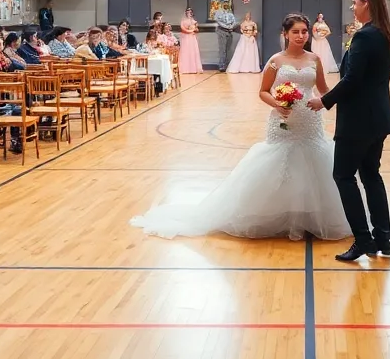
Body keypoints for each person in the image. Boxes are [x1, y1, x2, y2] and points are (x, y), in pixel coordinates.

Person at [131, 14, 349, 241]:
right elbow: (263, 91)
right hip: (283, 119)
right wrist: (277, 104)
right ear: (285, 34)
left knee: (313, 163)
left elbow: (323, 89)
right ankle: (276, 214)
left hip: (310, 119)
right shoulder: (276, 60)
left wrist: (332, 100)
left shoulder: (314, 59)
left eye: (304, 31)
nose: (301, 36)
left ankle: (310, 217)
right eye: (295, 32)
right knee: (281, 163)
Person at [307, 0, 390, 263]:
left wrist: (324, 101)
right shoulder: (383, 34)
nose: (353, 7)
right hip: (378, 117)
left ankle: (363, 239)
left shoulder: (364, 36)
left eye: (355, 3)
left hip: (358, 119)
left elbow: (352, 79)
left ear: (367, 3)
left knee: (344, 176)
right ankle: (383, 239)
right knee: (371, 175)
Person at [179, 8, 203, 74]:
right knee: (186, 51)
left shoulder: (194, 21)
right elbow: (183, 29)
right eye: (188, 12)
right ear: (186, 13)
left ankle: (194, 68)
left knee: (193, 51)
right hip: (186, 37)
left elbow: (197, 29)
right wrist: (190, 30)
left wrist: (195, 29)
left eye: (190, 12)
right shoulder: (183, 21)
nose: (189, 13)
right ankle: (185, 69)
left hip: (192, 37)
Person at [215, 1, 238, 69]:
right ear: (222, 4)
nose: (226, 5)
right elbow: (219, 22)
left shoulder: (230, 13)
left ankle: (227, 65)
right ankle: (222, 65)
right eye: (225, 3)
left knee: (228, 49)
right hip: (222, 31)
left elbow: (234, 21)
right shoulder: (218, 12)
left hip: (229, 32)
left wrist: (231, 26)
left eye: (227, 3)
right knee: (222, 49)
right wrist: (227, 27)